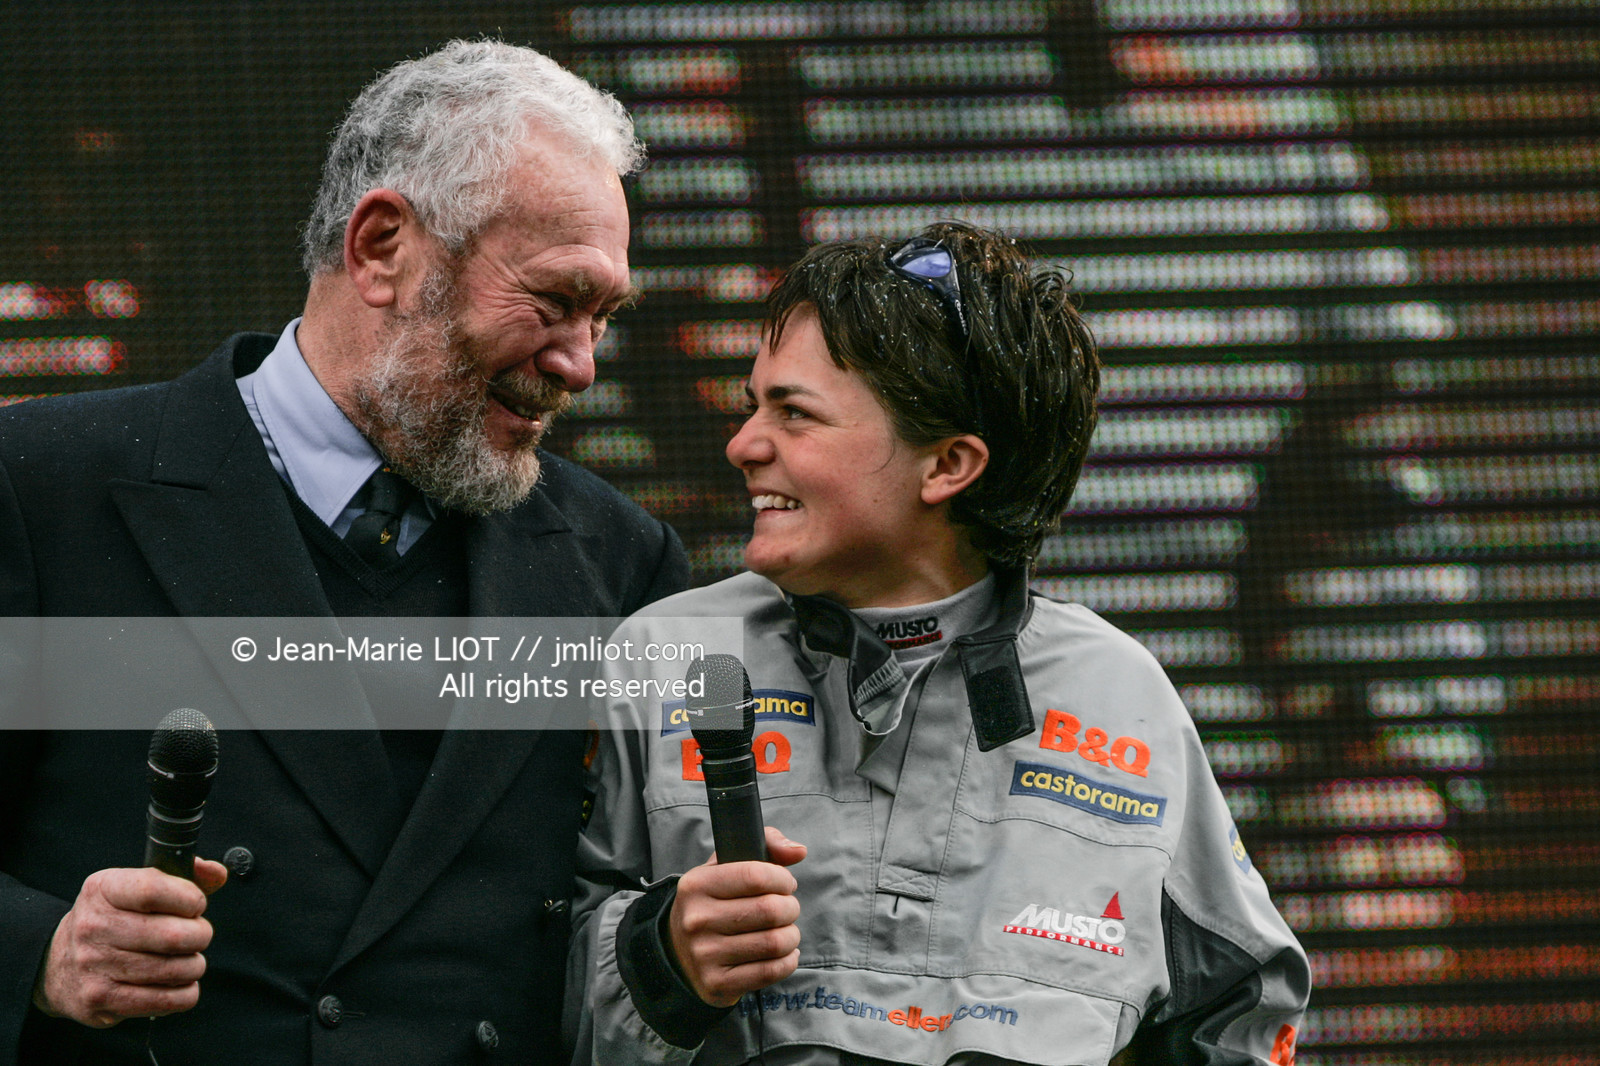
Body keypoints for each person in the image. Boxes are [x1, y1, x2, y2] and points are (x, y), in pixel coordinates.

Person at [0, 40, 687, 1064]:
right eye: (553, 301)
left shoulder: (620, 561)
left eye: (603, 317)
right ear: (380, 248)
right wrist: (42, 957)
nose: (580, 365)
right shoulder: (37, 489)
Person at [568, 221, 1309, 1065]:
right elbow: (490, 988)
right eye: (752, 406)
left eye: (794, 413)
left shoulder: (1122, 694)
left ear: (949, 465)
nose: (742, 445)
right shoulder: (661, 657)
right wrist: (659, 962)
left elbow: (1243, 1015)